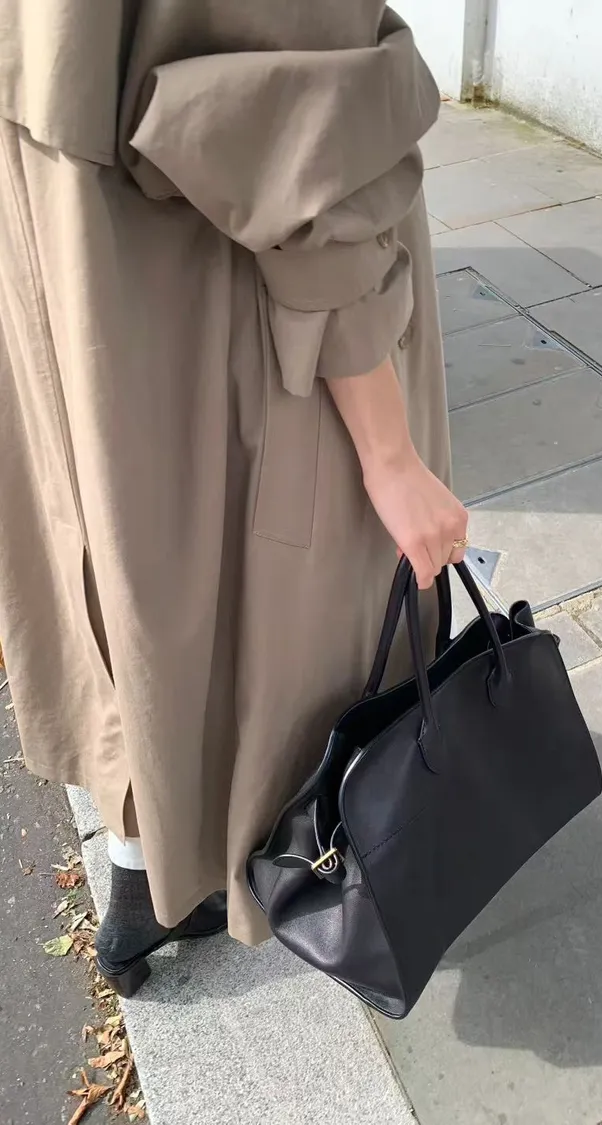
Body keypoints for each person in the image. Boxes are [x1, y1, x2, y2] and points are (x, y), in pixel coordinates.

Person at [0, 0, 467, 995]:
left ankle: (145, 871)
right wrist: (389, 453)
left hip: (66, 243)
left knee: (132, 589)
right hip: (216, 284)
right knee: (286, 625)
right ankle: (292, 867)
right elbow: (300, 142)